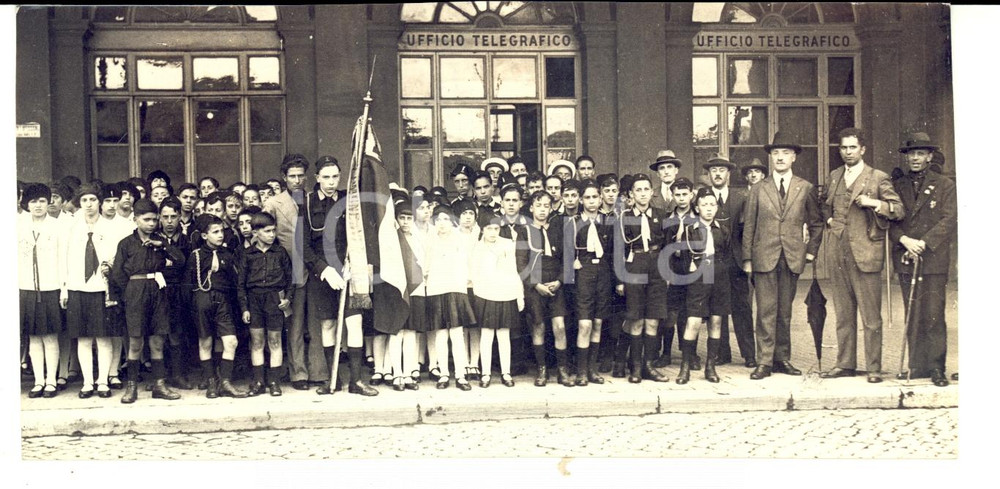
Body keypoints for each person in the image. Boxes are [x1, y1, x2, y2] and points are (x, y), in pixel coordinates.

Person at [820, 127, 904, 383]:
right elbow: (825, 204)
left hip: (866, 253)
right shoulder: (835, 176)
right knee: (843, 314)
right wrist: (832, 220)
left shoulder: (878, 178)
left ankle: (874, 368)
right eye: (843, 148)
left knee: (870, 317)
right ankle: (845, 363)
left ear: (862, 149)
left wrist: (874, 204)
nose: (847, 152)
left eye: (852, 147)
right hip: (838, 253)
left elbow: (898, 210)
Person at [741, 133, 824, 380]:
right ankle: (764, 361)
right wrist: (747, 259)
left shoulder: (805, 187)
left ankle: (782, 359)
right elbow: (749, 226)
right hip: (764, 257)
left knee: (784, 311)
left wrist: (810, 252)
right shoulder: (758, 188)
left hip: (791, 257)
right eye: (776, 153)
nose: (780, 157)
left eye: (785, 153)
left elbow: (817, 223)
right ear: (770, 157)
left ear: (794, 157)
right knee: (765, 310)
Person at [301, 156, 378, 396]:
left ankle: (356, 381)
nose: (332, 182)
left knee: (354, 323)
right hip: (322, 275)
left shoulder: (349, 202)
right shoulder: (305, 203)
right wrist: (323, 270)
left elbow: (360, 236)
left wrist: (353, 264)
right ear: (317, 178)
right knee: (328, 325)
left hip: (349, 272)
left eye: (335, 176)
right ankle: (331, 380)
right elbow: (302, 246)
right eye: (326, 177)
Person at [890, 132, 956, 387]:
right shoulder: (898, 186)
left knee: (933, 315)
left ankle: (937, 368)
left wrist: (923, 243)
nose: (915, 158)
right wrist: (905, 240)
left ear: (929, 156)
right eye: (911, 154)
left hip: (933, 260)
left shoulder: (945, 184)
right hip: (906, 255)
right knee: (913, 312)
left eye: (920, 153)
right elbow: (891, 221)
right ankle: (916, 366)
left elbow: (949, 220)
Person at [110, 198, 186, 403]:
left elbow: (180, 260)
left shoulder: (162, 241)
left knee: (158, 340)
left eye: (154, 219)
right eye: (147, 219)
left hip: (158, 291)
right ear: (136, 220)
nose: (151, 224)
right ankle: (132, 387)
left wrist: (162, 246)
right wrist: (128, 295)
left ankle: (160, 385)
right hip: (136, 291)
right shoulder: (126, 243)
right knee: (135, 341)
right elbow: (117, 273)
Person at [61, 183, 123, 399]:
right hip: (78, 288)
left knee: (103, 338)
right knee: (84, 339)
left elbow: (118, 258)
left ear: (99, 202)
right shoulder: (71, 228)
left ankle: (103, 382)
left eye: (93, 200)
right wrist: (65, 289)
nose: (88, 204)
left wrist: (111, 268)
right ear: (80, 203)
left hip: (101, 289)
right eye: (84, 200)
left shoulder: (110, 229)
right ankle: (87, 383)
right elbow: (64, 259)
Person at [614, 174, 670, 383]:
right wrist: (620, 279)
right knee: (636, 319)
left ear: (652, 192)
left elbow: (668, 246)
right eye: (638, 190)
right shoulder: (623, 217)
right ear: (631, 194)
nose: (643, 194)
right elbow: (618, 250)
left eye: (646, 189)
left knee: (653, 320)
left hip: (656, 266)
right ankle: (636, 368)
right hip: (634, 265)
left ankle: (649, 366)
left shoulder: (661, 215)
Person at [262, 154, 311, 390]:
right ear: (284, 177)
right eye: (292, 176)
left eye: (301, 176)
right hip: (287, 271)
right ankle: (297, 373)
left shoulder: (311, 199)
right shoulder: (273, 204)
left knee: (310, 324)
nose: (297, 180)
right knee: (292, 324)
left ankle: (315, 370)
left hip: (313, 268)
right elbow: (264, 236)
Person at [187, 214, 247, 399]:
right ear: (205, 236)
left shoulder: (227, 256)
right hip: (202, 300)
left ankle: (226, 382)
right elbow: (188, 286)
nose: (220, 235)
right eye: (215, 232)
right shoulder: (196, 256)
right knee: (205, 342)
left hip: (223, 302)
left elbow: (235, 282)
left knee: (231, 342)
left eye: (221, 231)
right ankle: (211, 382)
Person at [703, 153, 755, 368]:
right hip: (712, 262)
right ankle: (721, 353)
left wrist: (747, 259)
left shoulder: (741, 197)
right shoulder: (703, 198)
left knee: (742, 308)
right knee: (717, 308)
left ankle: (749, 354)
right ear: (709, 174)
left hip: (735, 261)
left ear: (729, 174)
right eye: (713, 170)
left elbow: (748, 230)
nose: (717, 174)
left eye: (721, 170)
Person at [517, 191, 572, 387]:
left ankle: (562, 370)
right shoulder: (524, 231)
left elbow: (567, 259)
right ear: (531, 208)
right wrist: (536, 285)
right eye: (538, 205)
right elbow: (521, 264)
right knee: (538, 326)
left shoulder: (557, 230)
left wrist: (559, 281)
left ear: (551, 208)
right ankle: (541, 371)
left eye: (546, 206)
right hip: (535, 285)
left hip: (555, 283)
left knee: (559, 327)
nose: (542, 210)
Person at [675, 188, 730, 384]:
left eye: (712, 205)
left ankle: (710, 367)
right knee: (694, 321)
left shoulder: (722, 229)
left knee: (716, 321)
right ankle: (685, 367)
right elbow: (682, 260)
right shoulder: (690, 230)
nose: (708, 209)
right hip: (698, 276)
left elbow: (727, 254)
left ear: (717, 208)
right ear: (697, 208)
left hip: (719, 277)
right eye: (704, 205)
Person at [238, 211, 293, 396]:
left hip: (274, 300)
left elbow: (290, 279)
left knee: (275, 341)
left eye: (273, 231)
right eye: (267, 231)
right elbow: (241, 285)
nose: (272, 235)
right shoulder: (247, 254)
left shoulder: (280, 252)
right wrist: (244, 308)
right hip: (254, 301)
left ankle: (274, 382)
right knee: (257, 341)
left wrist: (287, 299)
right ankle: (259, 381)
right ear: (256, 232)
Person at [20, 183, 64, 398]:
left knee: (50, 335)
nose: (38, 205)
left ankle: (51, 382)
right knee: (33, 337)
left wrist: (63, 288)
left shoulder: (57, 226)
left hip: (50, 287)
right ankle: (38, 381)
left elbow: (63, 259)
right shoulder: (17, 225)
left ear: (49, 203)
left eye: (42, 201)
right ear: (26, 204)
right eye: (33, 201)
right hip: (26, 287)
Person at [425, 205, 474, 391]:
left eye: (445, 219)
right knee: (440, 334)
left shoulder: (460, 240)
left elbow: (466, 265)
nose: (442, 224)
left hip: (455, 289)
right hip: (437, 289)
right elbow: (426, 267)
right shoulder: (431, 241)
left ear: (451, 221)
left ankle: (461, 375)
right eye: (438, 220)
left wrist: (461, 285)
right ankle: (444, 373)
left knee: (456, 333)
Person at [569, 181, 613, 386]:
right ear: (580, 200)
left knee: (597, 322)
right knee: (584, 323)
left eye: (595, 197)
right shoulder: (573, 223)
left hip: (603, 273)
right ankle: (580, 371)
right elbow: (566, 254)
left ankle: (592, 369)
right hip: (583, 273)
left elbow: (614, 253)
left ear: (600, 198)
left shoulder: (609, 222)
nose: (591, 201)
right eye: (587, 197)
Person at [471, 217, 523, 388]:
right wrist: (480, 293)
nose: (493, 233)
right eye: (489, 229)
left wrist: (519, 294)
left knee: (503, 335)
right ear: (482, 229)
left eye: (496, 229)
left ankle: (505, 373)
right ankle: (485, 374)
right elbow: (475, 273)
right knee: (486, 335)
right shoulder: (477, 247)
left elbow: (514, 270)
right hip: (485, 294)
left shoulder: (508, 244)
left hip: (505, 293)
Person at [654, 177, 699, 368]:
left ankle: (691, 354)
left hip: (691, 270)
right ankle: (666, 354)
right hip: (672, 269)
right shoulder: (667, 219)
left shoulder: (698, 219)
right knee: (670, 315)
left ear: (691, 195)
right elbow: (663, 247)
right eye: (677, 195)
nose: (681, 198)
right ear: (672, 196)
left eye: (684, 194)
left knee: (690, 313)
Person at [157, 196, 195, 390]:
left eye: (173, 216)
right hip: (158, 291)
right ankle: (159, 378)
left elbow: (188, 267)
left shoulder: (187, 240)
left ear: (180, 216)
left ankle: (178, 375)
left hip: (179, 291)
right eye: (165, 217)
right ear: (159, 217)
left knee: (177, 334)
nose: (169, 221)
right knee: (159, 335)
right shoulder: (153, 238)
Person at [391, 200, 423, 391]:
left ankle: (410, 372)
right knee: (397, 332)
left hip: (416, 289)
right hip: (398, 290)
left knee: (411, 332)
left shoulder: (419, 238)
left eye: (408, 218)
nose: (405, 222)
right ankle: (397, 374)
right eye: (401, 218)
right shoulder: (393, 239)